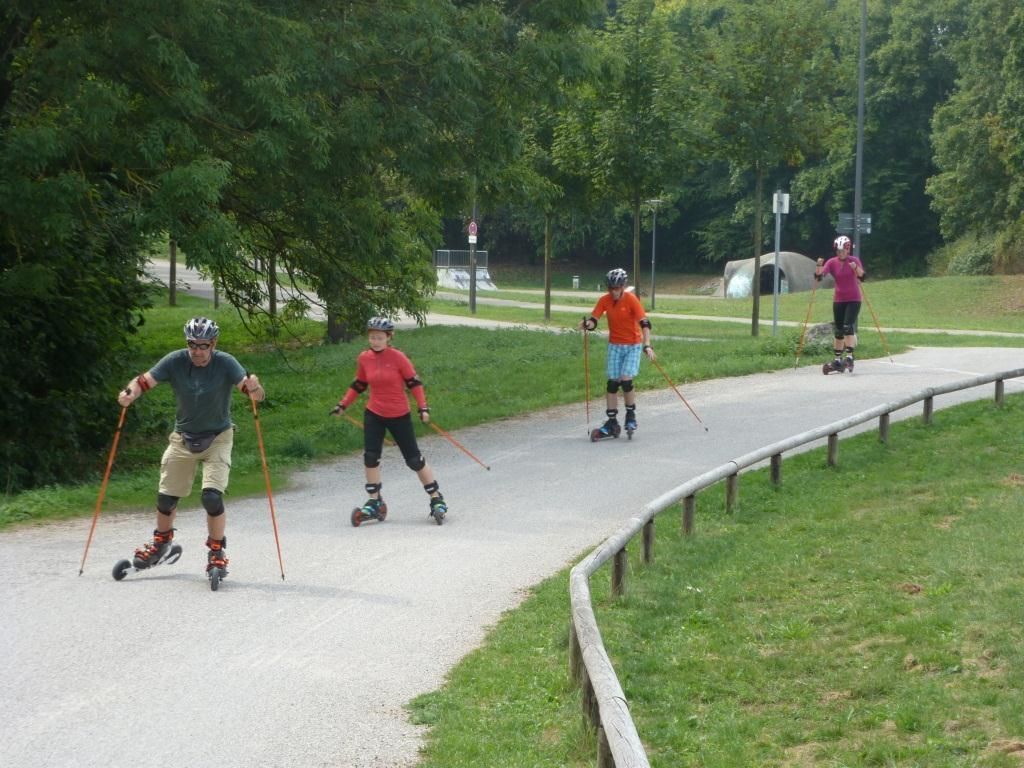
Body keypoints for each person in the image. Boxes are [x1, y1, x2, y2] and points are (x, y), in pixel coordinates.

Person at [117, 317, 264, 576]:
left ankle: (217, 553)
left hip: (218, 437)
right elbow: (142, 382)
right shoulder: (175, 361)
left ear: (213, 344)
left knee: (211, 497)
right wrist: (129, 394)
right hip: (183, 437)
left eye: (202, 345)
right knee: (165, 498)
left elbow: (253, 394)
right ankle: (161, 544)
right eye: (192, 345)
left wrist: (255, 389)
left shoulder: (226, 363)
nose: (196, 351)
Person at [331, 317, 448, 523]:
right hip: (374, 413)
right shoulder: (364, 358)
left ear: (388, 337)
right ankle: (374, 502)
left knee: (414, 460)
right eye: (372, 337)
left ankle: (436, 498)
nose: (375, 341)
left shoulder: (398, 358)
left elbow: (414, 383)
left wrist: (422, 407)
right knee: (370, 457)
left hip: (399, 414)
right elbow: (359, 384)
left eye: (379, 337)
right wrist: (343, 405)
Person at [578, 268, 655, 437]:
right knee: (612, 383)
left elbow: (645, 323)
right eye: (610, 288)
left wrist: (647, 345)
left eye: (617, 288)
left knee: (626, 379)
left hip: (633, 345)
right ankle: (612, 422)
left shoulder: (631, 300)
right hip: (615, 345)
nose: (613, 291)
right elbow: (594, 319)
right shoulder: (604, 300)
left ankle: (630, 415)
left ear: (623, 286)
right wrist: (587, 325)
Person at [815, 235, 866, 371]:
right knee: (838, 330)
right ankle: (837, 360)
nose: (840, 253)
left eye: (843, 251)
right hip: (838, 300)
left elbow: (863, 276)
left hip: (854, 299)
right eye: (838, 251)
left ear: (848, 250)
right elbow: (819, 277)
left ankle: (849, 357)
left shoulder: (854, 260)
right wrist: (819, 265)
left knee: (847, 326)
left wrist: (855, 268)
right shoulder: (832, 262)